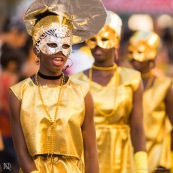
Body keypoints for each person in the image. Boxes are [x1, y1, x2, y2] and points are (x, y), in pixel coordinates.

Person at [8, 0, 107, 172]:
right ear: (37, 48)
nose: (60, 51)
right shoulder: (19, 94)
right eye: (52, 44)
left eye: (66, 45)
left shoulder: (82, 93)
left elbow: (91, 151)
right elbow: (21, 150)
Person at [72, 11, 148, 173]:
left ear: (117, 42)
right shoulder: (77, 80)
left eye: (105, 39)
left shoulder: (132, 78)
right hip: (88, 157)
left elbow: (137, 127)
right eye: (93, 39)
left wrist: (142, 167)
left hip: (122, 158)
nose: (98, 45)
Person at [128, 30, 173, 173]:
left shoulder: (165, 86)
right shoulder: (125, 84)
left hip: (157, 159)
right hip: (130, 156)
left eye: (140, 52)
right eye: (131, 52)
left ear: (152, 54)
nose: (134, 58)